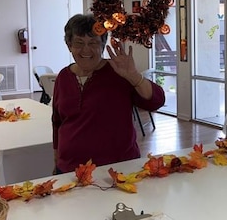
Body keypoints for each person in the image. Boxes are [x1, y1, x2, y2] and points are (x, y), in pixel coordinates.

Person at [52, 14, 165, 174]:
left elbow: (156, 101)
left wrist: (133, 76)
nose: (86, 49)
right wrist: (57, 161)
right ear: (69, 45)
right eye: (79, 43)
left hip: (116, 170)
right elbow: (57, 122)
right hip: (69, 170)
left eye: (93, 43)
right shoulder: (64, 77)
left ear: (103, 45)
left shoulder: (118, 73)